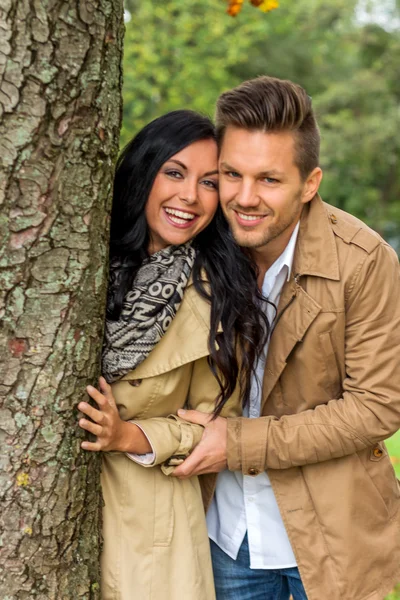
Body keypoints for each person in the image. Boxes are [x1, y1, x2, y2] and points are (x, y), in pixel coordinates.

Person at [173, 77, 400, 600]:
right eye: (231, 174)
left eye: (269, 180)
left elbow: (377, 407)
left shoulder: (362, 261)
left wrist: (237, 444)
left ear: (310, 182)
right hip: (224, 533)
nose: (245, 198)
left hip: (332, 542)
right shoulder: (196, 249)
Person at [77, 110, 268, 600]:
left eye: (209, 182)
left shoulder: (222, 295)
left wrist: (129, 434)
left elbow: (214, 427)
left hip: (152, 527)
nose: (190, 196)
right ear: (145, 171)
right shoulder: (83, 262)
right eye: (175, 172)